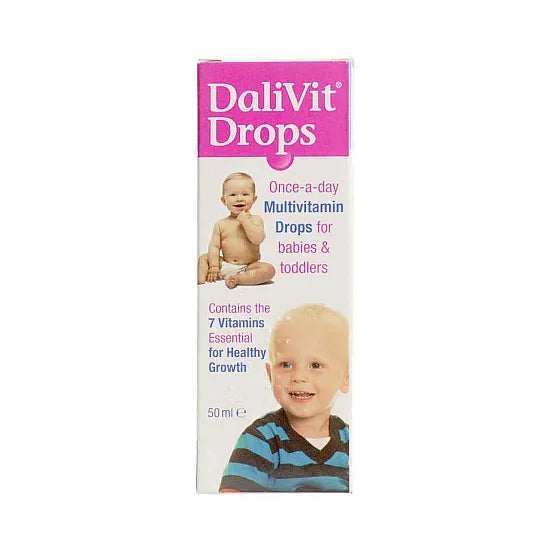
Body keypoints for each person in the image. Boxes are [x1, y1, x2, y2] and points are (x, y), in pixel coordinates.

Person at [219, 304, 350, 492]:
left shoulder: (349, 441)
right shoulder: (261, 439)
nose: (298, 376)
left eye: (315, 365)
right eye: (286, 364)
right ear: (270, 375)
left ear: (346, 378)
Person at [198, 172, 275, 289]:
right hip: (224, 265)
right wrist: (214, 266)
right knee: (203, 258)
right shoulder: (221, 224)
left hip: (248, 268)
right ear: (224, 200)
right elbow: (214, 246)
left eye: (245, 194)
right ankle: (200, 280)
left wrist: (245, 221)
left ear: (254, 199)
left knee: (268, 270)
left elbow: (258, 239)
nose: (239, 198)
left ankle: (238, 279)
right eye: (233, 195)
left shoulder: (255, 219)